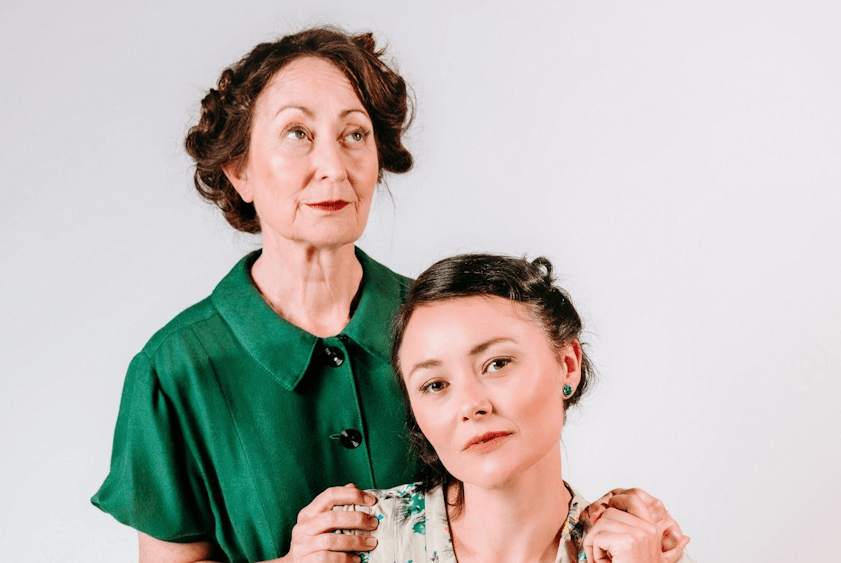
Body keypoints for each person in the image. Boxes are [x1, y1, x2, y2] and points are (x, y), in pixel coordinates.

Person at [92, 26, 686, 563]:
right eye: (297, 134)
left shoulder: (442, 327)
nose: (333, 164)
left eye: (354, 134)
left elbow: (516, 503)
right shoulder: (174, 369)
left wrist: (612, 529)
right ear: (238, 171)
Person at [349, 253, 693, 563]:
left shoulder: (639, 555)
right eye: (435, 385)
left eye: (497, 364)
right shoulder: (356, 544)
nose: (471, 405)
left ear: (568, 364)